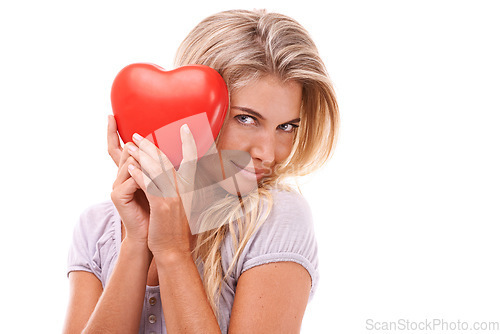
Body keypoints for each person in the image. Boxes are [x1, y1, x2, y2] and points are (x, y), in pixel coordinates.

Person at [63, 8, 339, 334]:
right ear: (188, 107)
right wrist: (137, 241)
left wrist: (172, 250)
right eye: (246, 119)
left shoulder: (275, 217)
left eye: (286, 126)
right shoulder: (97, 229)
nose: (268, 152)